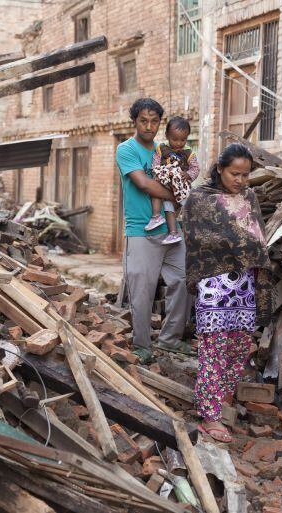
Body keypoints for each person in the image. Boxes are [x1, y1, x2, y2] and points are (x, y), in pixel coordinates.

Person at [182, 143, 273, 443]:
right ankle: (209, 415)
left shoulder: (249, 197)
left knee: (237, 349)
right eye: (235, 173)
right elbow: (200, 238)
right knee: (214, 348)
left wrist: (250, 248)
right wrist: (241, 241)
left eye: (246, 175)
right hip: (214, 283)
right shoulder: (200, 199)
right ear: (220, 169)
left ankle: (219, 402)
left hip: (244, 285)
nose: (240, 180)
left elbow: (257, 238)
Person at [115, 98, 194, 364]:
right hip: (140, 231)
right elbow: (144, 184)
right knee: (142, 290)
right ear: (134, 121)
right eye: (143, 120)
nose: (149, 126)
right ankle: (142, 346)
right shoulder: (127, 150)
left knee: (183, 281)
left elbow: (188, 175)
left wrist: (182, 192)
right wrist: (181, 195)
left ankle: (170, 340)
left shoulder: (167, 149)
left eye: (154, 121)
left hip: (172, 230)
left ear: (161, 123)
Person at [144, 116, 200, 244]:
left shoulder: (189, 153)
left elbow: (196, 168)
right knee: (157, 194)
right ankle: (158, 218)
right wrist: (158, 174)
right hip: (165, 183)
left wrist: (189, 174)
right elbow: (155, 165)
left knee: (174, 208)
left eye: (183, 140)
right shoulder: (161, 149)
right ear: (167, 135)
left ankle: (175, 232)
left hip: (179, 187)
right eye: (175, 139)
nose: (179, 143)